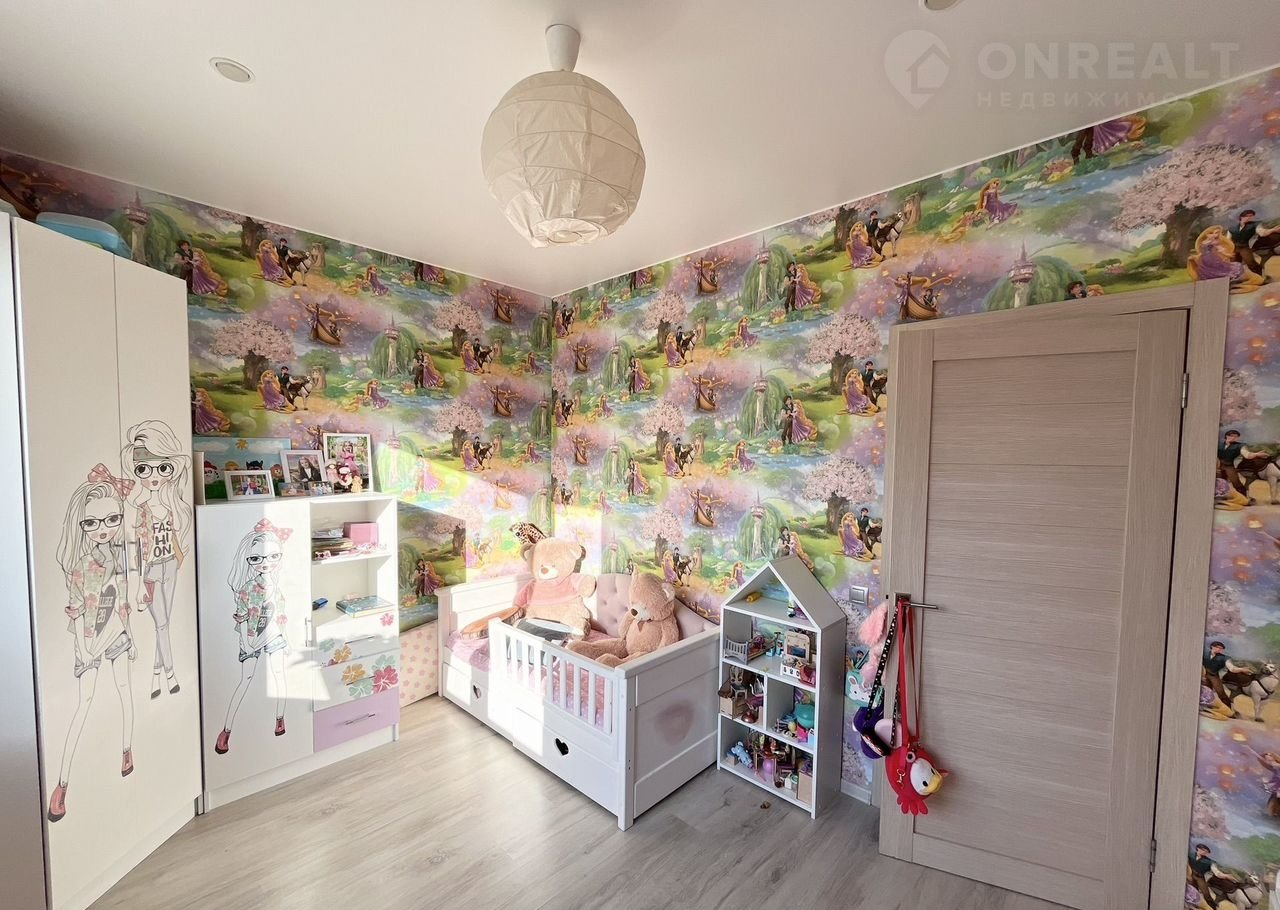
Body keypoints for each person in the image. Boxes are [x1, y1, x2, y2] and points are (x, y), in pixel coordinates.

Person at [47, 469, 139, 822]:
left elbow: (123, 601)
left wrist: (130, 635)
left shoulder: (124, 554)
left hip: (117, 631)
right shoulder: (82, 566)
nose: (104, 529)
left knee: (125, 690)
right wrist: (86, 651)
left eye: (112, 519)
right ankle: (63, 783)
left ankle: (126, 749)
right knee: (83, 703)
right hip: (90, 637)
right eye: (92, 523)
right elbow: (76, 611)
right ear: (81, 525)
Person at [122, 422, 192, 699]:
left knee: (164, 623)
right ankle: (169, 675)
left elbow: (173, 535)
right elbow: (134, 547)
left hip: (170, 566)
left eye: (162, 468)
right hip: (150, 570)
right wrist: (137, 582)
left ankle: (154, 674)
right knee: (161, 623)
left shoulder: (171, 504)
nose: (153, 476)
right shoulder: (138, 509)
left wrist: (180, 556)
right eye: (143, 469)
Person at [214, 519, 292, 756]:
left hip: (274, 634)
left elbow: (280, 614)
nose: (265, 563)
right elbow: (242, 618)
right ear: (248, 560)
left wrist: (287, 637)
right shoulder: (247, 589)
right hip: (251, 636)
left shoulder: (279, 583)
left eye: (273, 556)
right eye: (256, 558)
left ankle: (280, 718)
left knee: (279, 674)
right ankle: (226, 730)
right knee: (245, 679)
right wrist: (248, 645)